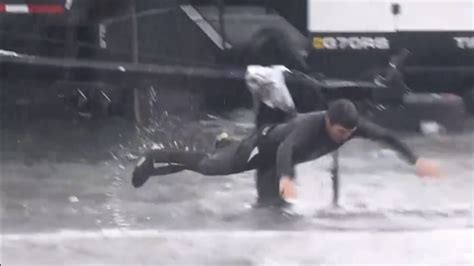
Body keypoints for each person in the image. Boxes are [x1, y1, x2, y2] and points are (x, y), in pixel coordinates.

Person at [132, 71, 441, 205]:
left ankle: (224, 142)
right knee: (211, 168)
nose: (345, 137)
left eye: (349, 133)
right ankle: (155, 156)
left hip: (276, 157)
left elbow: (386, 136)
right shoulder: (310, 126)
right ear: (328, 120)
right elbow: (285, 150)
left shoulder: (352, 127)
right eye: (340, 132)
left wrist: (416, 161)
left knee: (271, 209)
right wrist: (287, 179)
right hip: (263, 147)